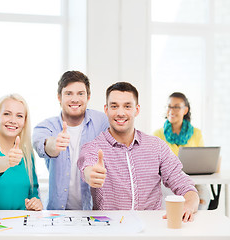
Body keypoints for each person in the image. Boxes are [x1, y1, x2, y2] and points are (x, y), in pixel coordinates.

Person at [78, 82, 199, 222]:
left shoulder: (157, 147)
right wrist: (91, 174)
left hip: (151, 229)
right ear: (106, 110)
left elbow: (185, 186)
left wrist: (189, 205)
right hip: (109, 230)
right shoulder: (93, 147)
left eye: (127, 106)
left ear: (137, 109)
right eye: (114, 106)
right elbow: (87, 167)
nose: (120, 113)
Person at [32, 71, 109, 210]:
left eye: (80, 93)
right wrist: (53, 145)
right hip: (57, 214)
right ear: (59, 97)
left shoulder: (102, 122)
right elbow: (40, 144)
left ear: (88, 97)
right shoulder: (46, 126)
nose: (75, 99)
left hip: (94, 214)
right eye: (68, 93)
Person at [153, 92, 210, 210]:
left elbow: (202, 160)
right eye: (169, 106)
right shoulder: (157, 134)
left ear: (185, 110)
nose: (171, 110)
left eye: (177, 107)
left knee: (203, 197)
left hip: (194, 179)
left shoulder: (196, 133)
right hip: (168, 181)